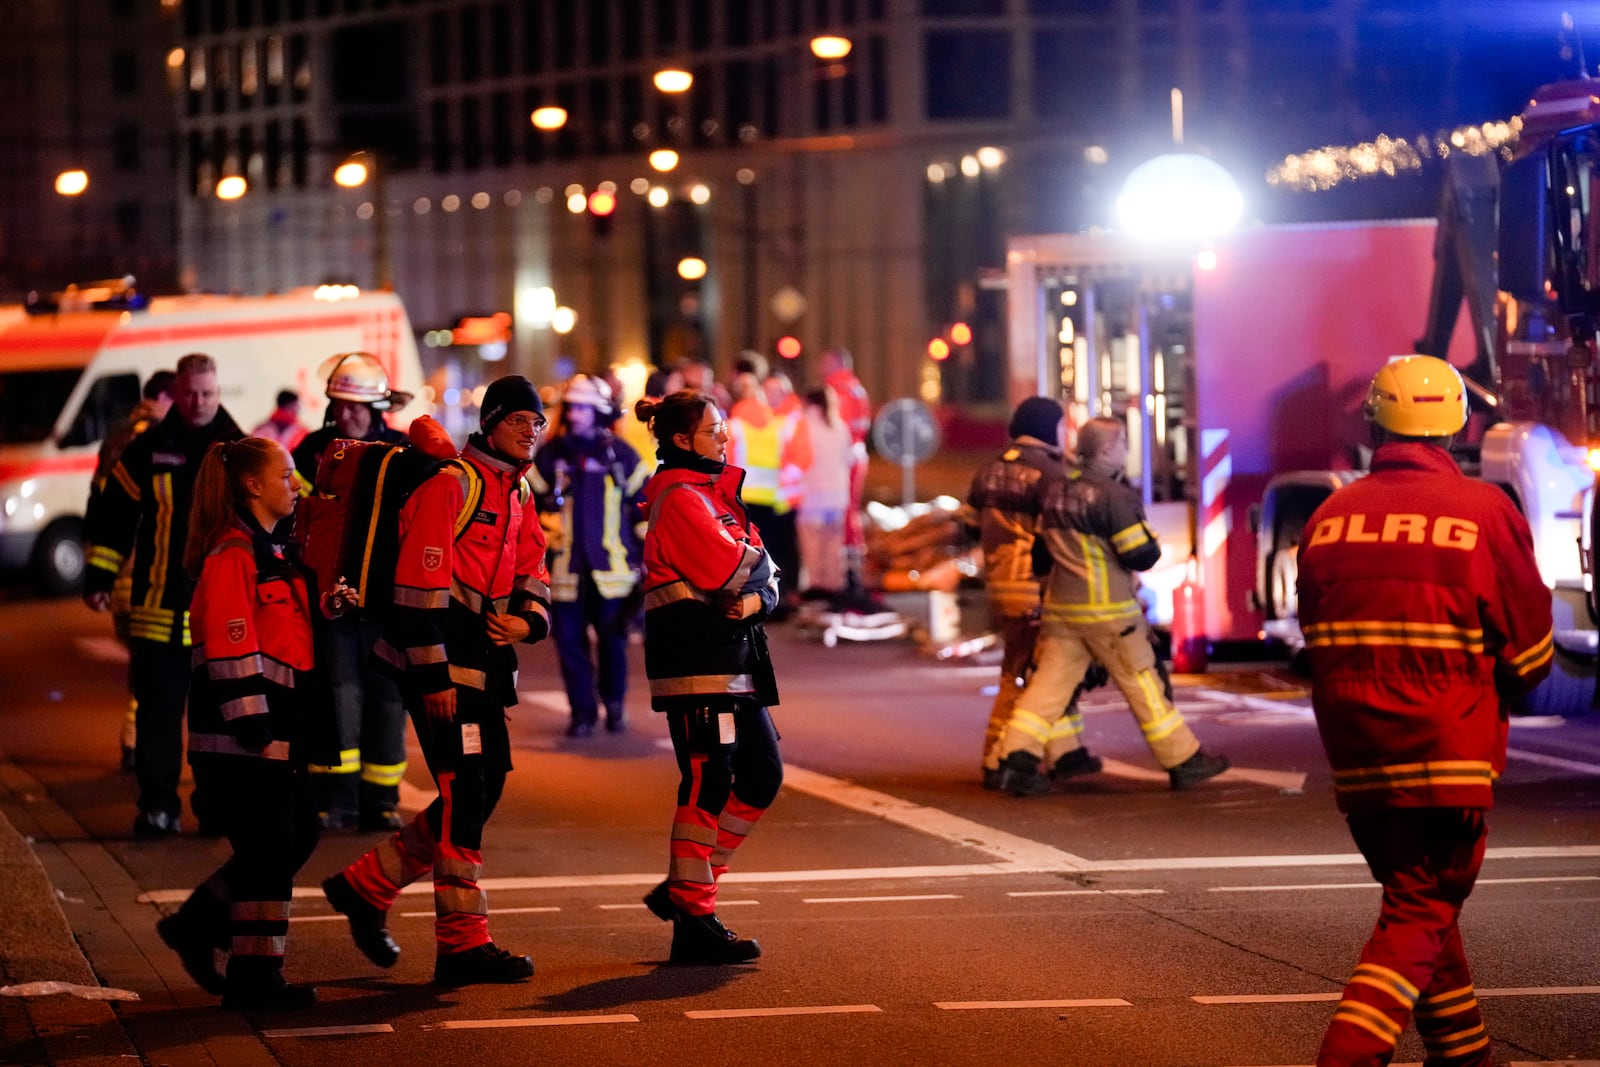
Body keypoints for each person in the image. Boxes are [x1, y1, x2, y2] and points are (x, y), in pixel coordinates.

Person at [1296, 355, 1554, 1067]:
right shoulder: (1484, 511)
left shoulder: (1329, 516)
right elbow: (1531, 658)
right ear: (1461, 422)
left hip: (1357, 756)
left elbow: (1312, 633)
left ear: (1376, 422)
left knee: (1420, 903)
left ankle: (1466, 1057)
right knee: (1419, 911)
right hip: (1446, 754)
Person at [321, 376, 553, 988]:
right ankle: (460, 943)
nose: (533, 431)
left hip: (484, 667)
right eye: (522, 420)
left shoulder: (519, 492)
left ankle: (364, 886)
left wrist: (529, 620)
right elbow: (416, 588)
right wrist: (433, 676)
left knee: (484, 786)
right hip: (442, 668)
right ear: (493, 421)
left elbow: (533, 565)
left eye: (539, 423)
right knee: (467, 793)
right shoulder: (453, 485)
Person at [155, 436, 333, 1010]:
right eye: (286, 475)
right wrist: (255, 729)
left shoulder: (271, 550)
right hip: (242, 738)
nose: (296, 484)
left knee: (290, 838)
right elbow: (234, 647)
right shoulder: (233, 553)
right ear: (252, 485)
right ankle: (254, 978)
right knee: (271, 846)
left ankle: (206, 930)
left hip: (272, 731)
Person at [993, 417, 1230, 796]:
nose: (1127, 450)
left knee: (1047, 688)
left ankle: (1015, 762)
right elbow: (1141, 554)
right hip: (1109, 615)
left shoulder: (1055, 491)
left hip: (1062, 614)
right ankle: (1183, 760)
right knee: (1144, 684)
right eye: (1123, 443)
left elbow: (1040, 557)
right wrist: (1152, 539)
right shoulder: (1114, 496)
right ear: (1106, 449)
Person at [633, 390, 782, 965]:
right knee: (708, 782)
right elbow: (735, 567)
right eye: (714, 429)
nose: (725, 437)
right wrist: (758, 579)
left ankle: (686, 888)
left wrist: (756, 597)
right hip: (697, 665)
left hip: (732, 661)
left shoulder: (711, 496)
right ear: (680, 440)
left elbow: (763, 577)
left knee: (762, 775)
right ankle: (693, 915)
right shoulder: (681, 501)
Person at [84, 353, 244, 838]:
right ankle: (158, 807)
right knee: (157, 717)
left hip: (221, 611)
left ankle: (216, 809)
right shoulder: (149, 448)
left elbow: (281, 507)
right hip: (159, 607)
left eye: (208, 394)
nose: (199, 403)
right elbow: (114, 513)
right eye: (191, 393)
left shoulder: (240, 450)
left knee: (218, 722)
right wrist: (98, 575)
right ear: (175, 392)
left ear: (219, 393)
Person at [292, 352, 412, 832]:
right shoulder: (311, 452)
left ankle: (381, 800)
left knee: (388, 699)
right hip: (331, 604)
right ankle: (334, 799)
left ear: (378, 407)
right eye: (339, 406)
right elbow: (295, 519)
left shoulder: (404, 454)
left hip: (387, 603)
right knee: (338, 695)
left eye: (356, 407)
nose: (346, 416)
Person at [529, 374, 648, 737]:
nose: (575, 413)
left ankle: (614, 706)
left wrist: (648, 561)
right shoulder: (551, 455)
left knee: (614, 644)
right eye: (571, 406)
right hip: (564, 569)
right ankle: (582, 713)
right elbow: (530, 509)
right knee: (569, 645)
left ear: (598, 412)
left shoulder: (622, 455)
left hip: (613, 570)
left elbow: (642, 511)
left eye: (582, 406)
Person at [967, 396, 1072, 790]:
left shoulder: (988, 470)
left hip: (1001, 586)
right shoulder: (1050, 472)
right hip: (1034, 586)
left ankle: (1053, 754)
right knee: (1037, 676)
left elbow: (967, 524)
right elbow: (1055, 536)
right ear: (1048, 427)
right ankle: (1005, 759)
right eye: (1062, 426)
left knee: (1016, 672)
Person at [87, 368, 175, 772]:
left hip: (119, 568)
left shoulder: (117, 439)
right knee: (154, 666)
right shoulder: (155, 441)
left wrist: (98, 573)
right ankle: (138, 743)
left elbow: (97, 508)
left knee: (146, 664)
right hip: (145, 567)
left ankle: (135, 740)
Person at [726, 370, 810, 618]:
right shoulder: (776, 423)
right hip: (776, 498)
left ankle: (762, 600)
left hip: (748, 499)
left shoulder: (736, 425)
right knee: (779, 552)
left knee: (755, 554)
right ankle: (780, 598)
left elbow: (726, 464)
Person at [796, 385, 854, 597]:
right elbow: (849, 459)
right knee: (833, 546)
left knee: (812, 546)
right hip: (837, 497)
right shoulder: (839, 427)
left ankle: (817, 589)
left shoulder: (804, 426)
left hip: (812, 495)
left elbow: (798, 461)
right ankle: (834, 588)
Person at [819, 347, 871, 566]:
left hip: (843, 458)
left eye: (824, 362)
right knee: (850, 508)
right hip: (856, 454)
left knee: (844, 508)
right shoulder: (855, 387)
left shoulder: (837, 390)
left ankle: (849, 562)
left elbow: (838, 428)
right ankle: (854, 557)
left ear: (835, 363)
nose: (820, 368)